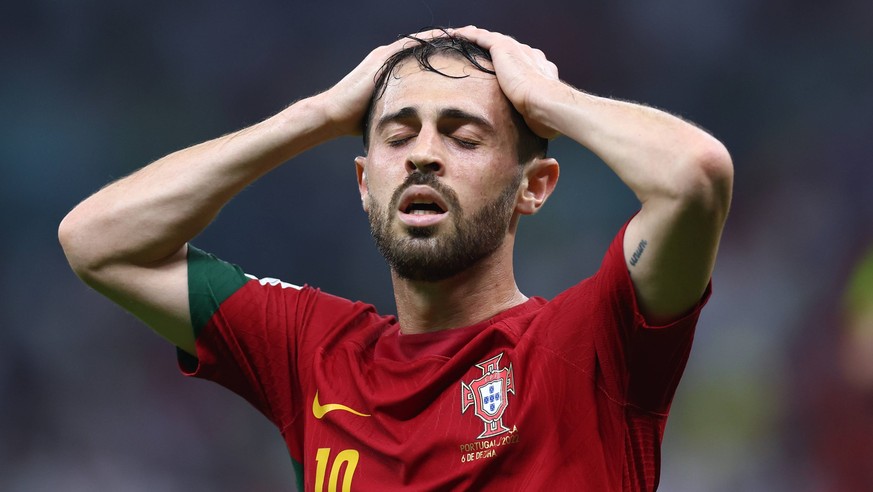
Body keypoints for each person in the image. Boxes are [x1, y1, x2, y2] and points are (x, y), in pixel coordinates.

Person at [59, 26, 733, 491]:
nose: (422, 153)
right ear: (363, 182)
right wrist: (315, 114)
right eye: (397, 133)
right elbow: (97, 241)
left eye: (463, 136)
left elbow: (694, 175)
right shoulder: (312, 353)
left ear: (533, 188)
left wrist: (546, 99)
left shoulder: (589, 344)